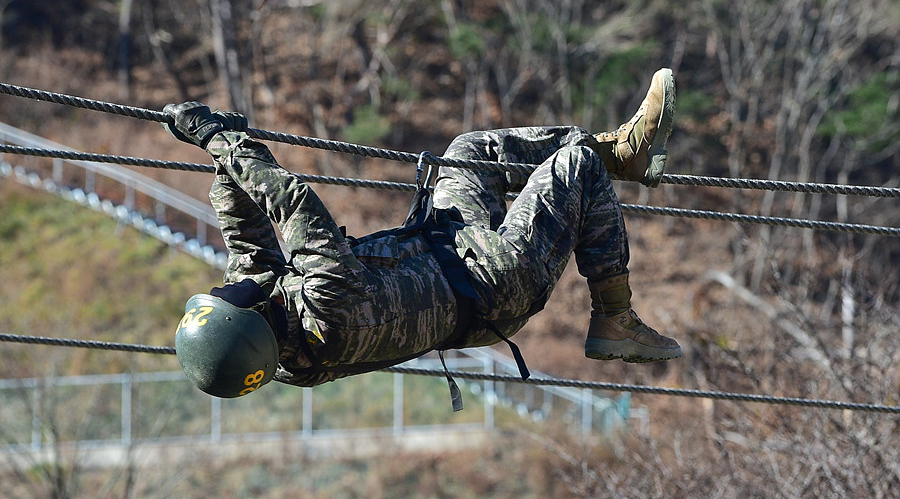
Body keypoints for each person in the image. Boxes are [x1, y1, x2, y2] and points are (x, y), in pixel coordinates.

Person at [168, 68, 681, 400]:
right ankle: (616, 317)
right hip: (497, 280)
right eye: (232, 303)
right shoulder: (329, 306)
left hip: (452, 248)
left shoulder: (280, 352)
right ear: (251, 323)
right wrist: (220, 139)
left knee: (470, 150)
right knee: (577, 166)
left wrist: (225, 160)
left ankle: (623, 153)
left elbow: (248, 246)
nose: (230, 289)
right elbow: (291, 203)